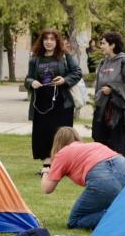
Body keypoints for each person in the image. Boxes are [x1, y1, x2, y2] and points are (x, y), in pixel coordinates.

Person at [41, 127, 125, 229]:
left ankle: (122, 218)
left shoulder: (62, 153)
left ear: (57, 142)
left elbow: (47, 188)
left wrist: (45, 172)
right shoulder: (95, 145)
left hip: (104, 180)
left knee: (75, 221)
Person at [25, 29, 83, 171]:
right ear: (42, 41)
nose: (49, 42)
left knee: (61, 133)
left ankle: (62, 163)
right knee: (42, 132)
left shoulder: (65, 56)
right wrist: (32, 82)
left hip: (62, 102)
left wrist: (64, 80)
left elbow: (77, 73)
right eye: (46, 39)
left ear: (57, 42)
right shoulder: (35, 59)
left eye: (52, 39)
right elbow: (28, 78)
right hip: (41, 103)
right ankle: (46, 164)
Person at [90, 31, 125, 156]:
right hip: (102, 111)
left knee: (117, 149)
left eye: (103, 43)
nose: (101, 46)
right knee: (100, 145)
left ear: (112, 45)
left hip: (118, 113)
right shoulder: (103, 63)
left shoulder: (124, 63)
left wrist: (112, 89)